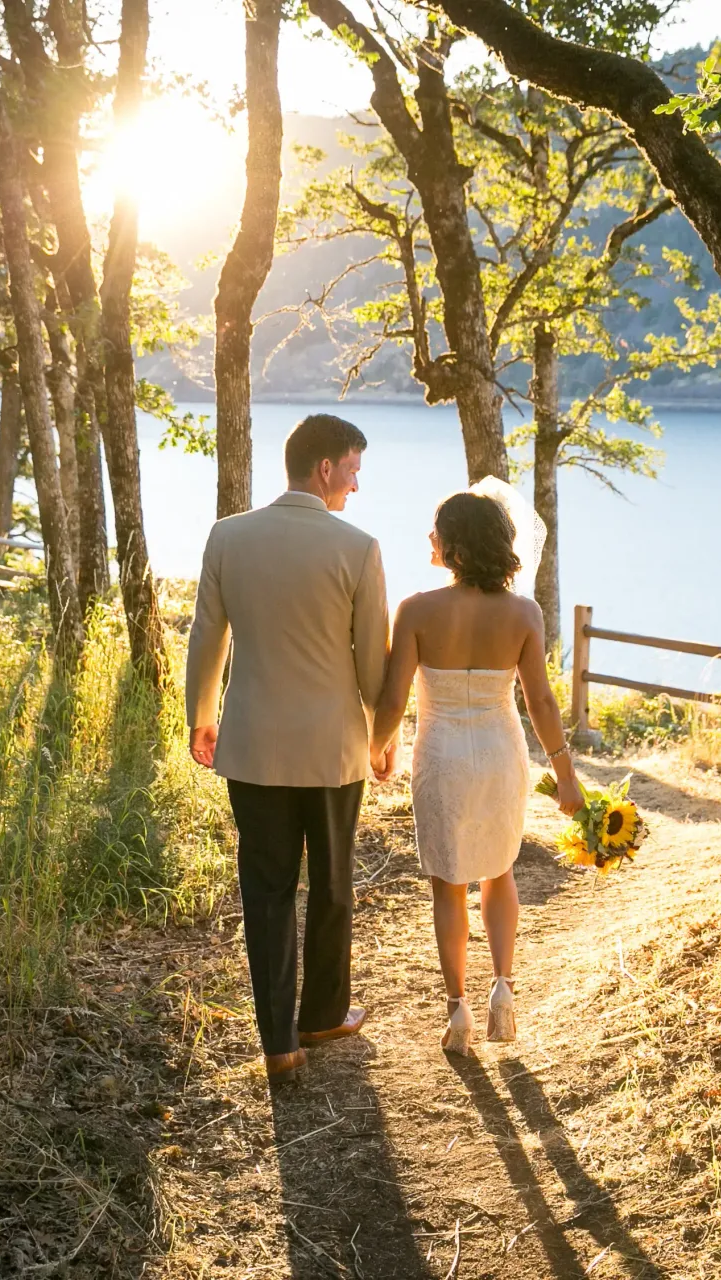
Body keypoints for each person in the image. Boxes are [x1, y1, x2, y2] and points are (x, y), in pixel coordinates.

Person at [184, 414, 390, 1085]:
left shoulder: (228, 536)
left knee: (267, 891)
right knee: (332, 885)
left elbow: (206, 637)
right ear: (324, 468)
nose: (356, 485)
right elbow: (372, 668)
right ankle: (324, 1015)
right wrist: (384, 737)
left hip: (255, 749)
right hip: (333, 752)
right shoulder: (358, 548)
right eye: (354, 470)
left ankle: (279, 1043)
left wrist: (201, 716)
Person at [370, 491, 584, 1055]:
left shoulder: (415, 609)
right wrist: (566, 773)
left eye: (436, 530)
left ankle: (457, 1008)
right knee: (499, 871)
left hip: (440, 753)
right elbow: (540, 700)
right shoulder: (523, 614)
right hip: (499, 750)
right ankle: (504, 991)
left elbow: (393, 699)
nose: (429, 540)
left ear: (457, 544)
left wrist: (376, 747)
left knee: (448, 882)